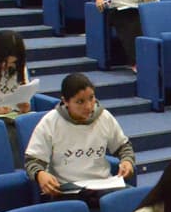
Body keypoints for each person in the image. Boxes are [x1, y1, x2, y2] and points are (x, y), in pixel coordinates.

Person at [24, 71, 135, 201]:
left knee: (132, 199)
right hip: (67, 189)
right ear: (65, 101)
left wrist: (127, 160)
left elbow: (123, 146)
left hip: (103, 185)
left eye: (91, 98)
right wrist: (40, 174)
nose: (88, 106)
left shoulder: (104, 117)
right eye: (80, 102)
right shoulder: (51, 121)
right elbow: (32, 160)